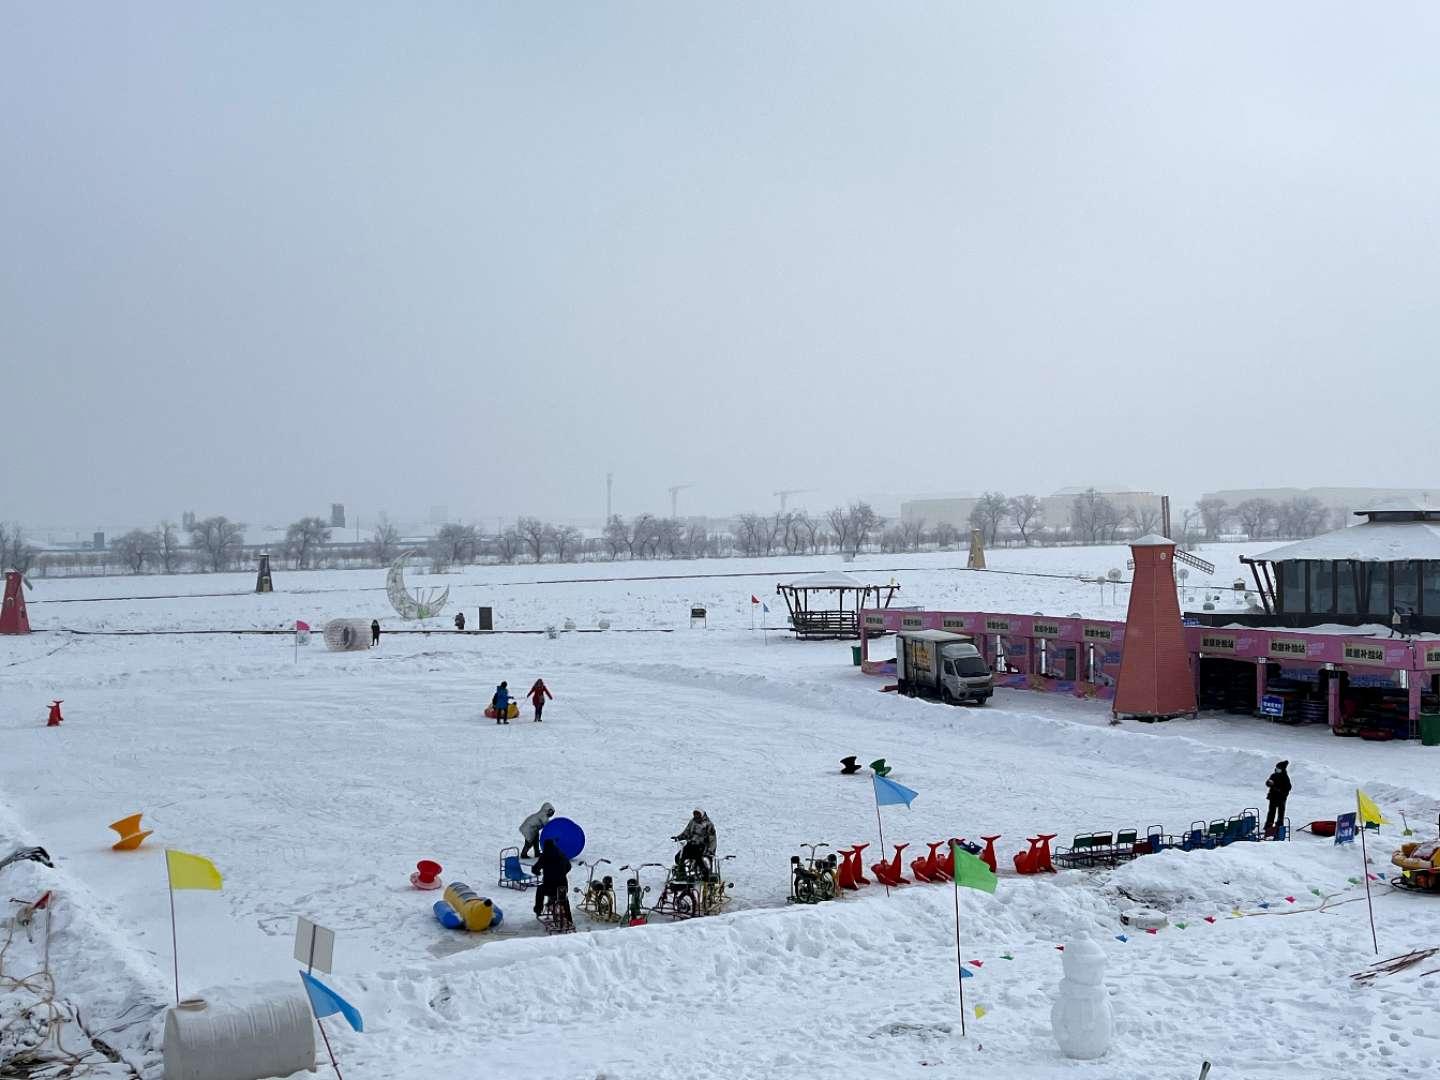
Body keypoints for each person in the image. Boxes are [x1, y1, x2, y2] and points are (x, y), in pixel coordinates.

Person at [532, 837, 571, 920]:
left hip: (549, 887)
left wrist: (537, 872)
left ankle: (538, 910)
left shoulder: (544, 856)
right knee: (564, 899)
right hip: (562, 886)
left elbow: (535, 869)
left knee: (540, 889)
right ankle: (569, 918)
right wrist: (562, 873)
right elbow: (569, 867)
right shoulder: (562, 854)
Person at [672, 809, 716, 876]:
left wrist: (711, 850)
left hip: (701, 846)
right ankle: (682, 874)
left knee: (697, 858)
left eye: (698, 814)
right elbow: (686, 832)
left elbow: (712, 839)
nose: (696, 816)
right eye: (695, 814)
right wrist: (679, 837)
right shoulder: (692, 822)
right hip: (691, 844)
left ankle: (705, 873)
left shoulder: (708, 824)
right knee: (678, 857)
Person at [1264, 760, 1291, 836]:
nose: (1277, 769)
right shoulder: (1273, 775)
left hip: (1281, 798)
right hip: (1273, 797)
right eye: (1277, 768)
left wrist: (1278, 789)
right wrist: (1269, 783)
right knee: (1271, 812)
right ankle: (1268, 825)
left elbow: (1288, 787)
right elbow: (1267, 783)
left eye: (1279, 768)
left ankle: (1279, 825)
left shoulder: (1285, 777)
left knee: (1281, 812)